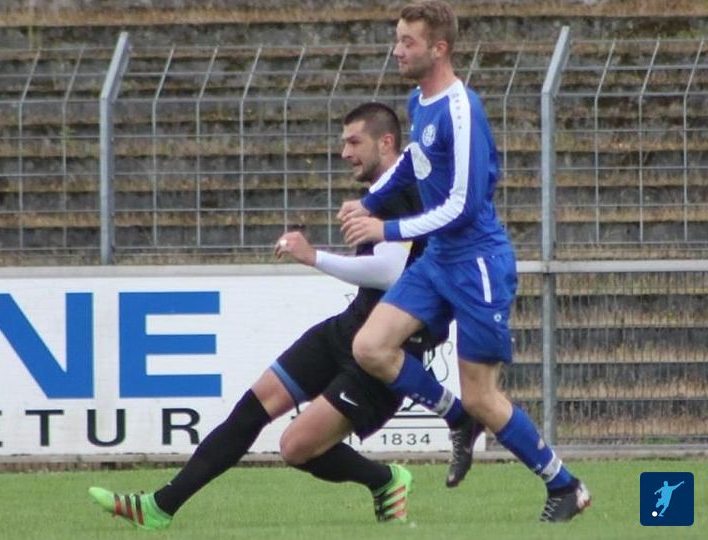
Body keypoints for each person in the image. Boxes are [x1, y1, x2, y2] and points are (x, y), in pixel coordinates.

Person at [88, 102, 481, 530]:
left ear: (386, 142)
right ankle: (158, 507)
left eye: (354, 142)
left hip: (385, 352)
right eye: (343, 143)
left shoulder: (407, 192)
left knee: (295, 448)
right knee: (251, 409)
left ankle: (385, 479)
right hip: (348, 327)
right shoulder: (379, 195)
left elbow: (391, 274)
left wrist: (314, 257)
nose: (345, 153)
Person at [338, 0, 591, 523]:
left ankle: (566, 486)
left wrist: (386, 228)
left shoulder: (462, 108)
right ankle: (456, 417)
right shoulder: (419, 100)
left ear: (439, 49)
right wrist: (373, 200)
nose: (396, 50)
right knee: (370, 346)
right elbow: (414, 161)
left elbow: (463, 205)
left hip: (477, 264)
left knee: (483, 397)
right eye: (397, 39)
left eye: (407, 42)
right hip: (439, 260)